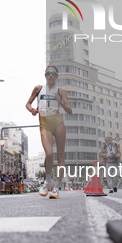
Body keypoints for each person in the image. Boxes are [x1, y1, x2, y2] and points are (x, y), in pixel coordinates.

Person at [26, 65, 72, 199]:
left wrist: (61, 102)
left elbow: (69, 110)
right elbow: (28, 103)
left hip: (58, 122)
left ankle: (56, 188)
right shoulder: (38, 88)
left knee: (60, 156)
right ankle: (47, 181)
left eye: (53, 73)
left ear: (57, 76)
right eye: (48, 73)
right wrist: (32, 110)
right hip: (44, 123)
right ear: (45, 75)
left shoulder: (61, 91)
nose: (51, 75)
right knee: (49, 153)